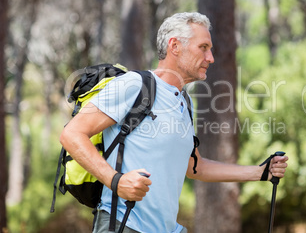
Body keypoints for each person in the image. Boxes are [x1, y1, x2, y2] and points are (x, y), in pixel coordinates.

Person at [60, 12, 289, 233]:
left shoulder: (184, 102)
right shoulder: (134, 85)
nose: (211, 58)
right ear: (175, 46)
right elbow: (72, 134)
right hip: (123, 224)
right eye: (203, 48)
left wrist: (259, 172)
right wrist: (116, 181)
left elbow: (195, 167)